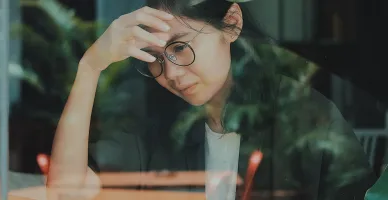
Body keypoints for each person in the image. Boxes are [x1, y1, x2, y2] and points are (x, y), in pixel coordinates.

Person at [46, 0, 378, 199]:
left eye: (180, 47)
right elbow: (65, 192)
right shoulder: (152, 122)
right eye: (155, 59)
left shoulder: (307, 116)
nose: (171, 74)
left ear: (231, 24)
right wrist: (90, 66)